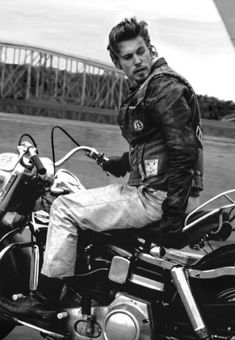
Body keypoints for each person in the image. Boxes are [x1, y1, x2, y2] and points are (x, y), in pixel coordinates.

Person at [0, 17, 203, 319]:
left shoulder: (162, 89)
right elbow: (158, 144)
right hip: (159, 190)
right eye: (128, 56)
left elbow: (183, 149)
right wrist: (120, 163)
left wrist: (173, 213)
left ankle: (44, 299)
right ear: (117, 61)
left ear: (150, 49)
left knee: (63, 208)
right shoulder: (154, 87)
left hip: (156, 197)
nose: (138, 61)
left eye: (141, 52)